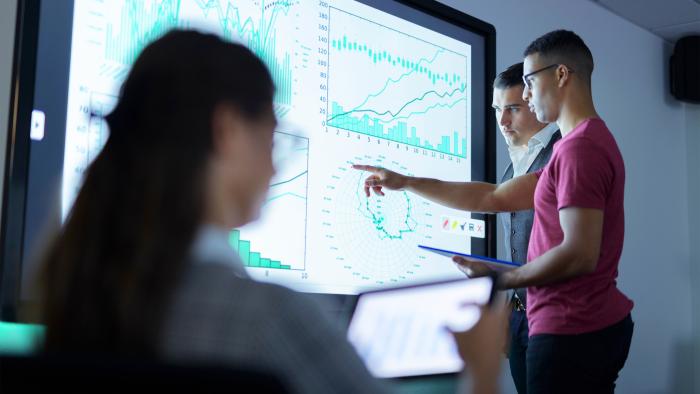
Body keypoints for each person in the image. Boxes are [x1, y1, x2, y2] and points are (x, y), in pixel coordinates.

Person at [34, 29, 504, 394]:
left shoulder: (73, 298)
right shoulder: (272, 319)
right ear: (227, 130)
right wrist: (481, 372)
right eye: (272, 135)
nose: (277, 163)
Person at [355, 30, 634, 394]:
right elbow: (495, 198)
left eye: (531, 82)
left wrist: (497, 281)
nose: (529, 95)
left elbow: (579, 255)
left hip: (571, 326)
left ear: (562, 74)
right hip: (578, 322)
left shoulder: (579, 149)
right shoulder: (582, 145)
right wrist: (406, 181)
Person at [492, 62, 560, 394]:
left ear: (533, 101)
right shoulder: (515, 163)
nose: (502, 121)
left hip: (555, 316)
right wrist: (512, 303)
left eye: (513, 109)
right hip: (521, 315)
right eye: (497, 110)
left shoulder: (564, 152)